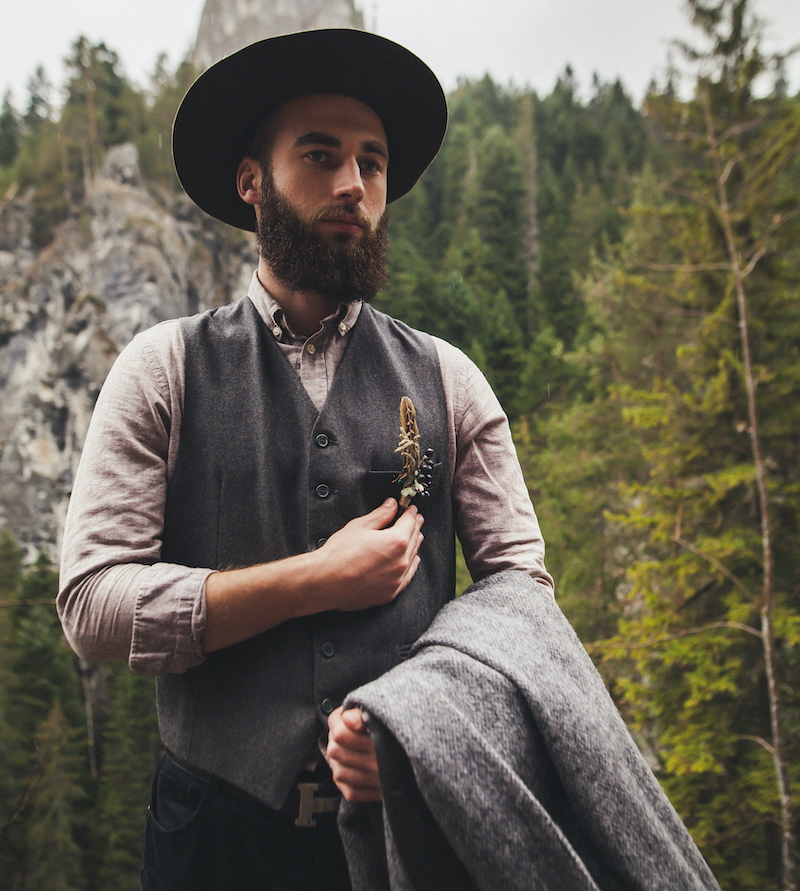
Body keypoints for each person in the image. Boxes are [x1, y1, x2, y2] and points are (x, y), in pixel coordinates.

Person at [57, 28, 553, 891]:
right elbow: (92, 602)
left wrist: (424, 726)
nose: (353, 185)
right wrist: (315, 580)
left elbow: (521, 596)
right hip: (210, 839)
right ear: (253, 182)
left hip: (409, 834)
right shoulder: (161, 368)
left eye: (373, 162)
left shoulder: (450, 381)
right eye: (319, 155)